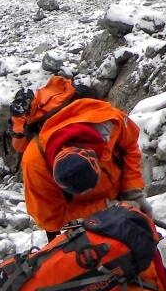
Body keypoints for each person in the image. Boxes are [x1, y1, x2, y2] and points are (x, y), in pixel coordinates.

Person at [21, 97, 149, 238]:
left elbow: (129, 146)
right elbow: (49, 219)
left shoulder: (110, 120)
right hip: (86, 222)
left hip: (120, 195)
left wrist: (132, 190)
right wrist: (105, 207)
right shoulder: (35, 164)